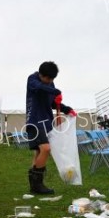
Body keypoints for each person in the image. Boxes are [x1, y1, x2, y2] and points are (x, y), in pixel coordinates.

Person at [25, 61, 76, 194]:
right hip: (35, 122)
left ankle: (34, 185)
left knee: (38, 152)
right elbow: (40, 87)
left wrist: (66, 109)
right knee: (46, 149)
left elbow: (54, 102)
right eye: (47, 78)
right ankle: (38, 184)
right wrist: (55, 91)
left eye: (52, 79)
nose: (49, 81)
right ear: (41, 74)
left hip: (46, 122)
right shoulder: (32, 80)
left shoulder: (50, 85)